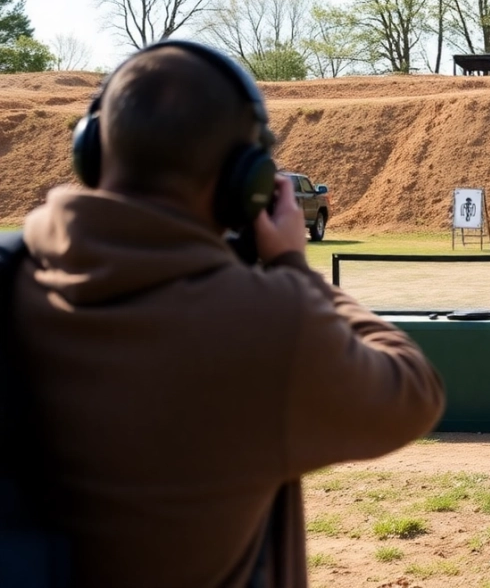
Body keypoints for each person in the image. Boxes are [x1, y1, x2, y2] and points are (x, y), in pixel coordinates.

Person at [9, 41, 445, 587]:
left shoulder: (12, 281)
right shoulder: (269, 325)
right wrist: (292, 267)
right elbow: (413, 391)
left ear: (92, 149)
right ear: (249, 182)